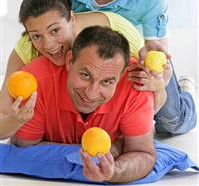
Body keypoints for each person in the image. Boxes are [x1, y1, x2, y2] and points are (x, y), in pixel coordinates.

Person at [54, 0, 197, 135]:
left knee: (172, 122)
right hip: (96, 63)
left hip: (135, 57)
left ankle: (185, 91)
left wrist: (158, 81)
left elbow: (157, 53)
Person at [1, 0, 169, 140]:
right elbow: (3, 116)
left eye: (55, 30)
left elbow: (149, 103)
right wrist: (13, 122)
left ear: (72, 18)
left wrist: (159, 85)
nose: (48, 45)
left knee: (171, 119)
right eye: (36, 36)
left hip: (156, 70)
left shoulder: (113, 43)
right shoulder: (26, 49)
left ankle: (186, 91)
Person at [11, 26, 158, 183]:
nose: (91, 93)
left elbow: (144, 154)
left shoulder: (136, 85)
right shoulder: (35, 81)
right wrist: (115, 148)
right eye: (85, 75)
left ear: (121, 76)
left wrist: (113, 171)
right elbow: (25, 148)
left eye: (107, 81)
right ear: (69, 61)